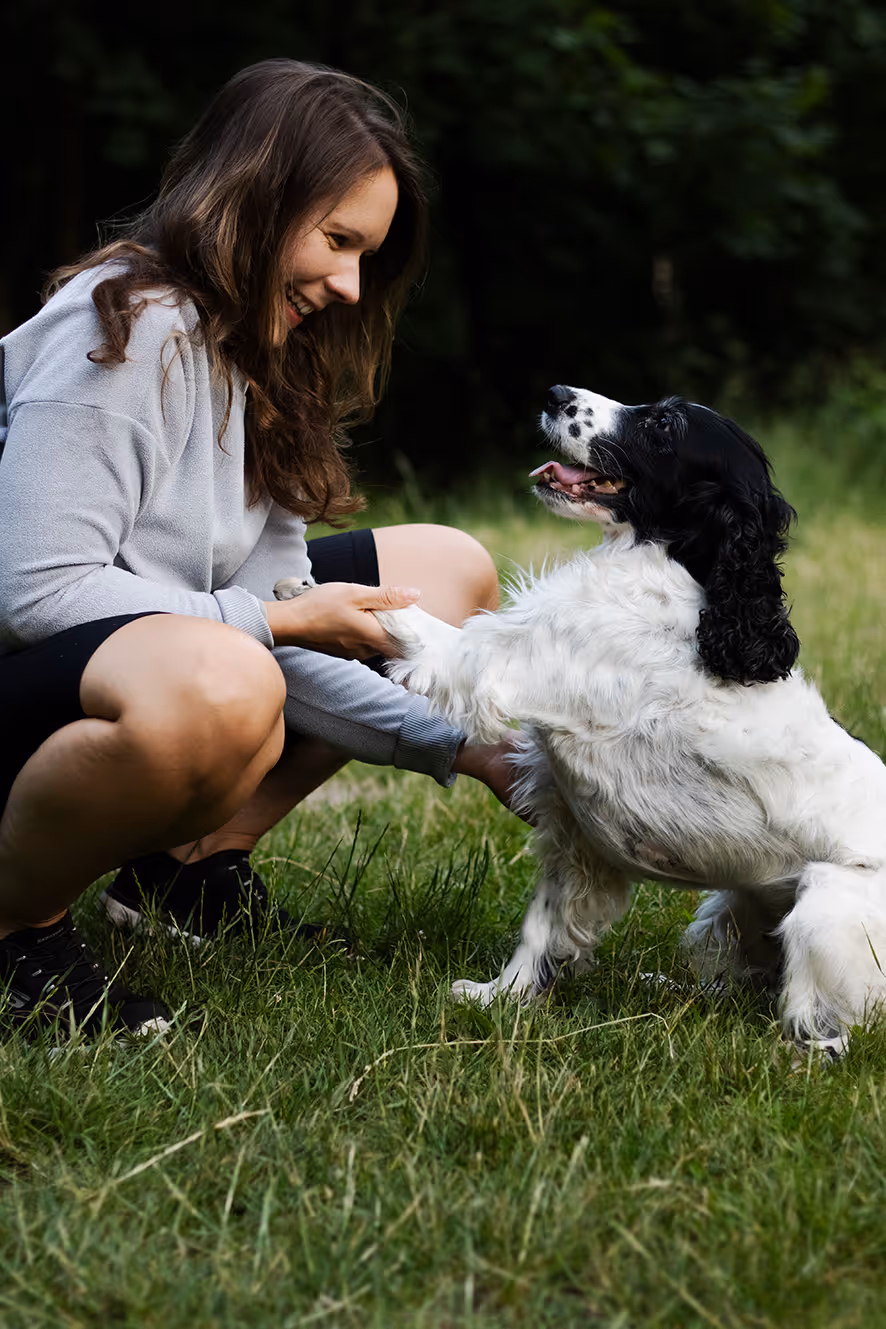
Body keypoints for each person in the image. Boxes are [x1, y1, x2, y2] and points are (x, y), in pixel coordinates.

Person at [0, 59, 519, 1040]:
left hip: (153, 659)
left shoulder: (252, 358)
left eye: (366, 254)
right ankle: (18, 927)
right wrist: (275, 619)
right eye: (337, 240)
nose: (349, 283)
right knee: (223, 679)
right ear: (253, 197)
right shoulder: (124, 328)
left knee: (441, 573)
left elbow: (277, 631)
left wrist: (474, 751)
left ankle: (182, 873)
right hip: (30, 675)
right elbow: (33, 592)